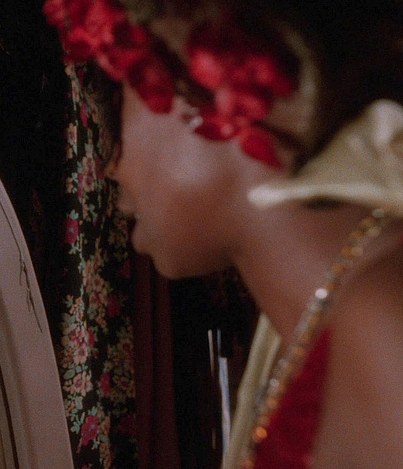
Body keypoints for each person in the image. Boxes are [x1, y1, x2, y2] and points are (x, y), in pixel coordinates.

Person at [45, 0, 403, 467]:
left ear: (227, 77)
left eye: (120, 95)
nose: (111, 167)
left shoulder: (384, 319)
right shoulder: (318, 325)